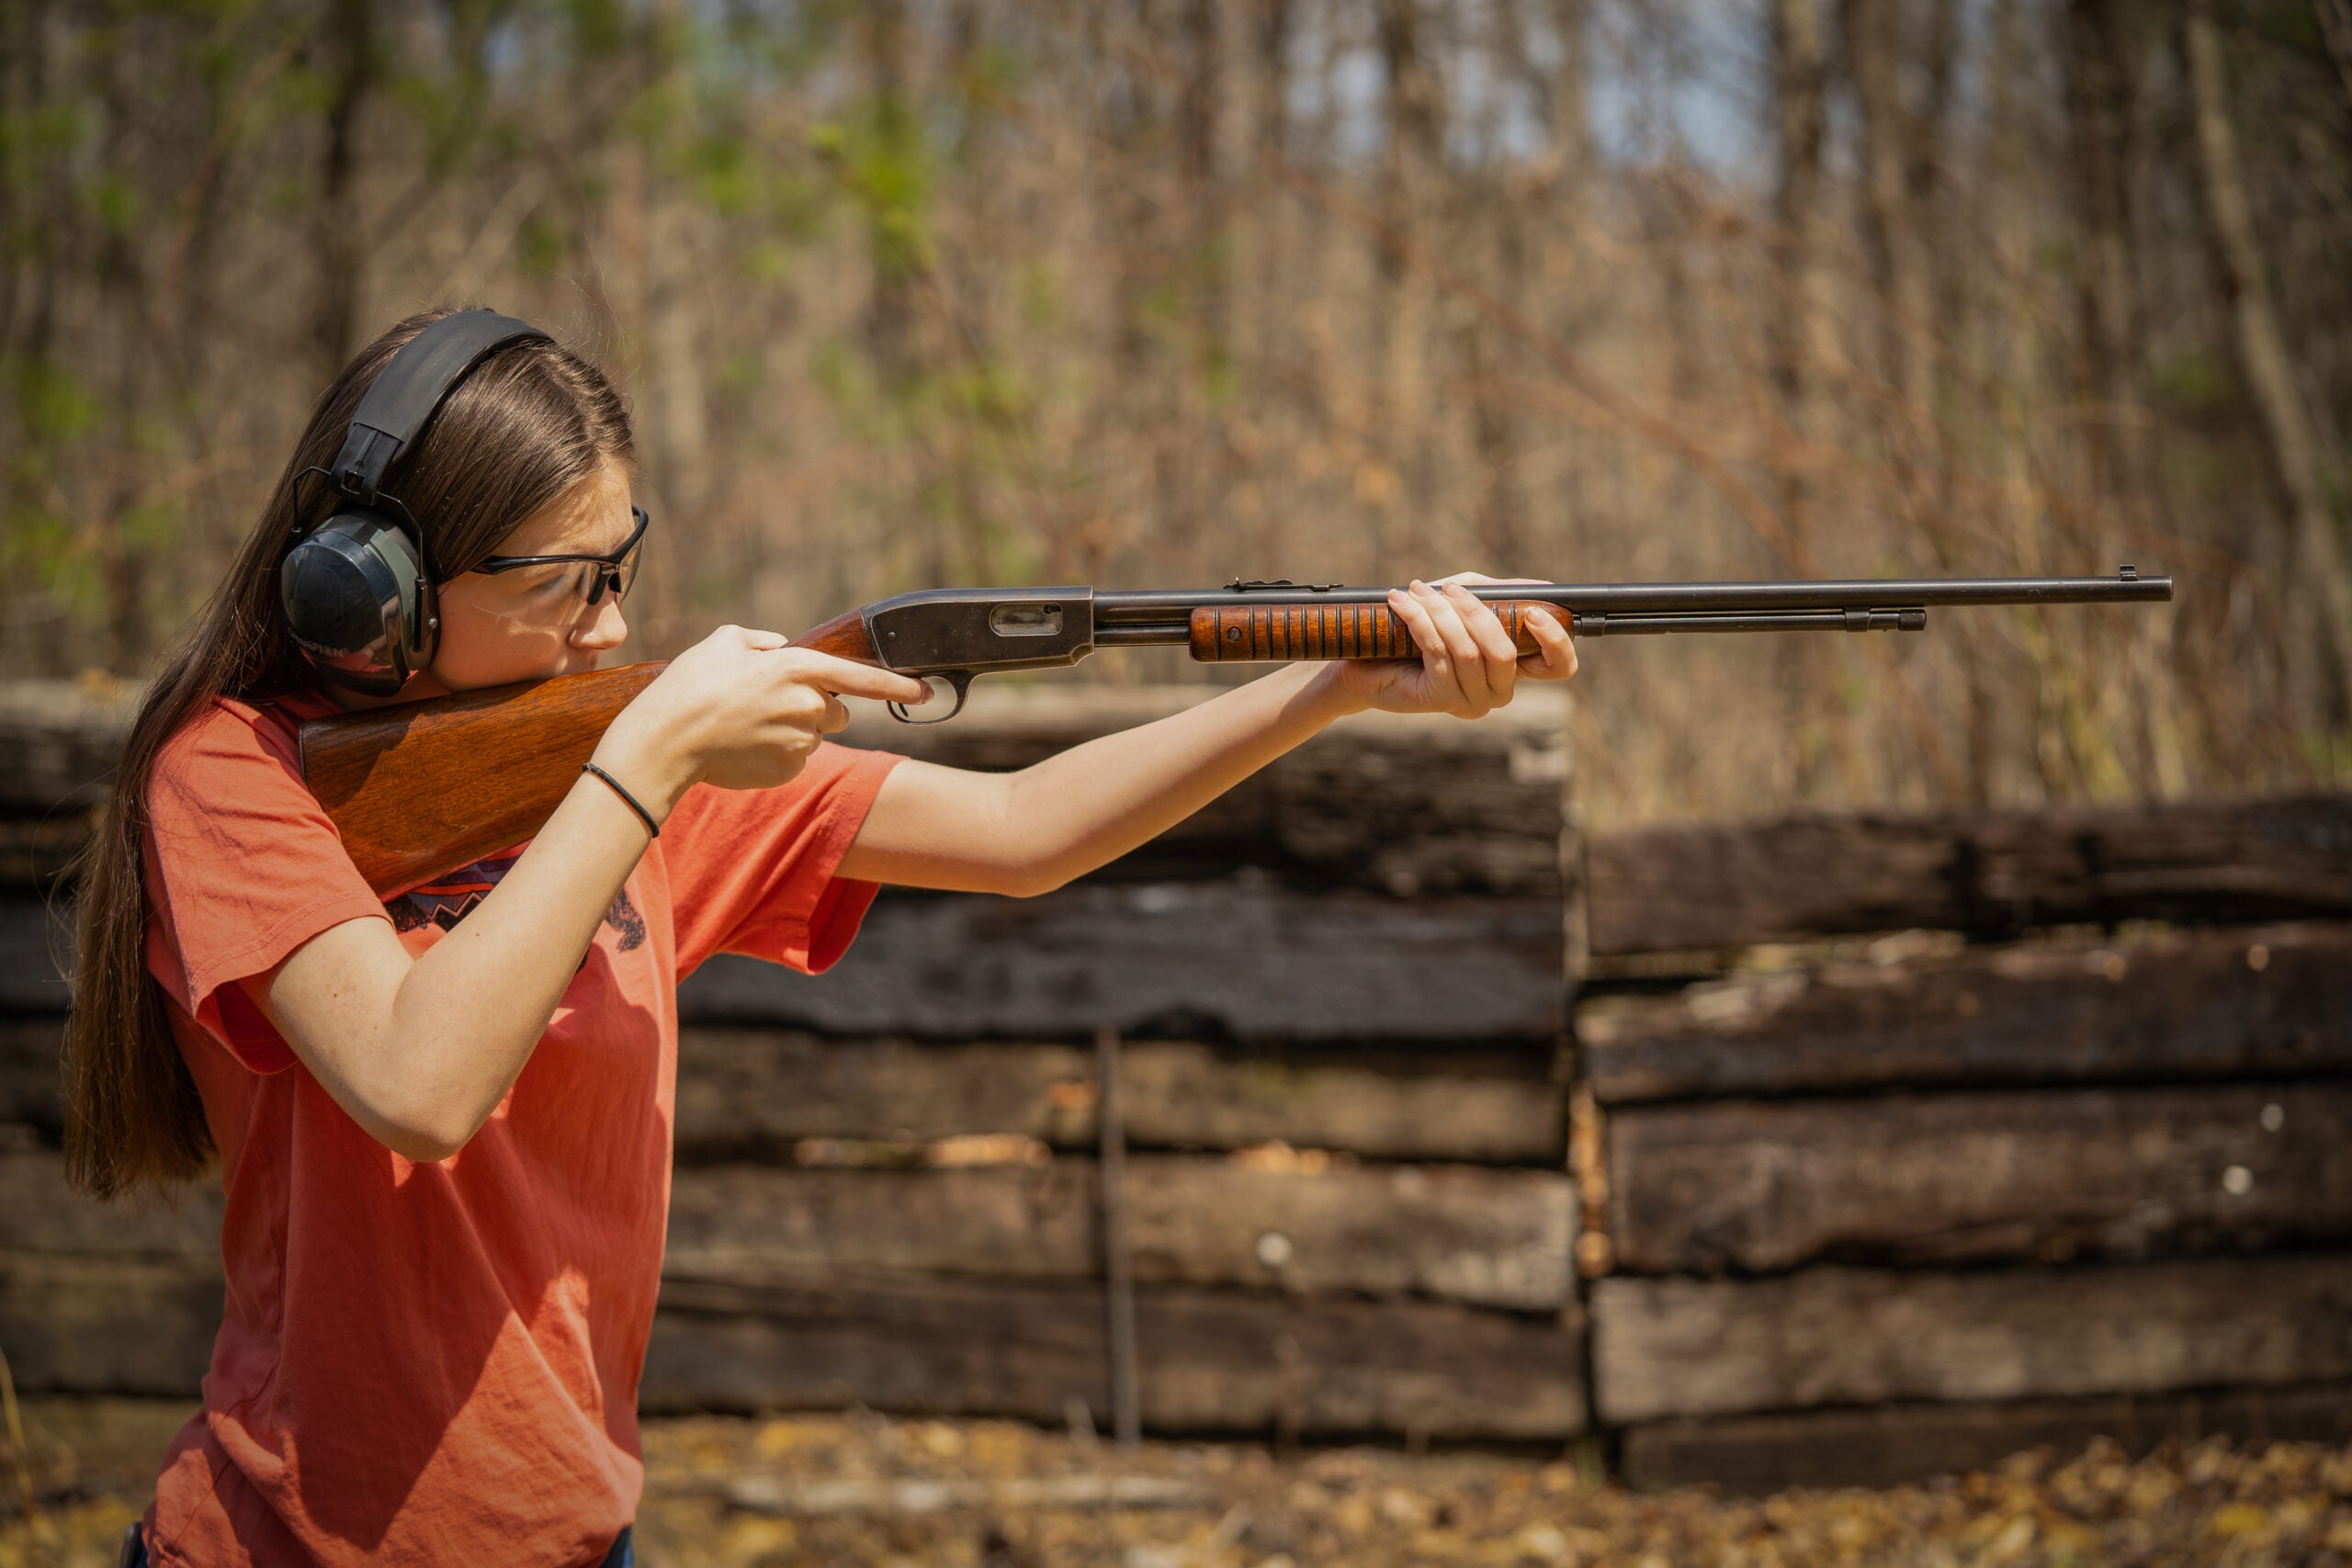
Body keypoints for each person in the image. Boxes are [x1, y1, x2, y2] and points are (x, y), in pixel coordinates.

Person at [63, 307, 1577, 1567]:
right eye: (564, 586)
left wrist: (1334, 682)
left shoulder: (625, 758)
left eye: (623, 569)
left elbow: (1025, 830)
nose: (608, 629)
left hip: (584, 1538)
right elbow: (416, 1079)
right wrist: (645, 763)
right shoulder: (234, 775)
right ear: (371, 594)